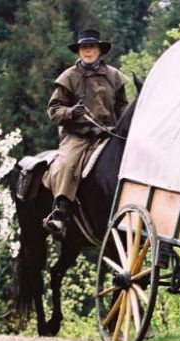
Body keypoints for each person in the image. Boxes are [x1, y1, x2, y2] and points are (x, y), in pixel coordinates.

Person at [43, 29, 129, 236]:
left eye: (91, 47)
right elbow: (53, 110)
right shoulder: (68, 77)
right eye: (84, 48)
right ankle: (61, 211)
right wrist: (71, 112)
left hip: (109, 134)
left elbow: (123, 106)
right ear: (79, 51)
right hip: (77, 135)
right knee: (67, 163)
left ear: (99, 50)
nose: (87, 51)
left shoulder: (115, 76)